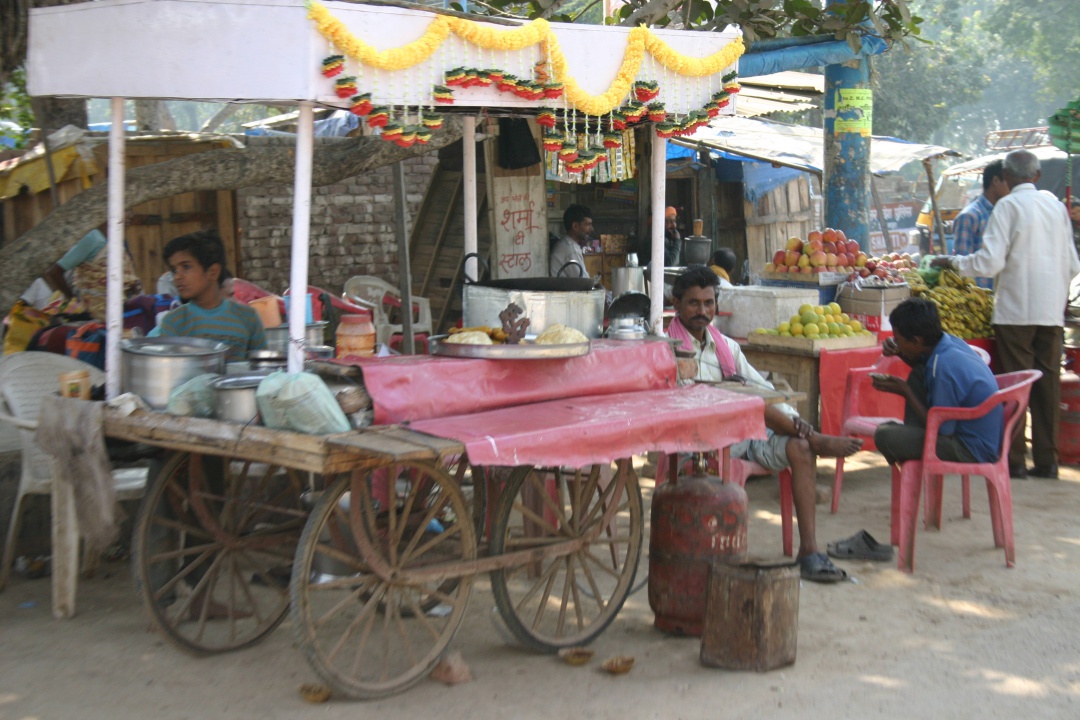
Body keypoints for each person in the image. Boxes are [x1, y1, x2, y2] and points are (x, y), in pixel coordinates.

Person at [669, 265, 863, 583]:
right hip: (702, 443)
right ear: (676, 304)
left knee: (795, 442)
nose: (702, 311)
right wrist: (737, 396)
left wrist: (793, 420)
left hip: (744, 436)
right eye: (693, 303)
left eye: (708, 303)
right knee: (749, 400)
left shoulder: (726, 347)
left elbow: (764, 389)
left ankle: (809, 551)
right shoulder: (669, 349)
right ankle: (816, 439)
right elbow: (688, 404)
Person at [932, 149, 1080, 479]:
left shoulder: (1007, 206)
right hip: (1050, 312)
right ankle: (1047, 461)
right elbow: (1072, 264)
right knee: (1047, 386)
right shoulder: (1056, 207)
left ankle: (1013, 460)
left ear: (1008, 177)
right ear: (1037, 176)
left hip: (1015, 311)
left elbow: (989, 262)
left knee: (1016, 384)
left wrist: (953, 262)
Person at [871, 297, 1003, 467]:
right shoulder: (949, 342)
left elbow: (943, 429)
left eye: (898, 339)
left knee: (884, 435)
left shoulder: (943, 367)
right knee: (919, 374)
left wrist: (906, 391)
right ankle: (913, 438)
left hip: (970, 449)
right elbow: (924, 366)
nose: (895, 342)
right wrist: (900, 352)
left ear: (916, 341)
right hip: (978, 439)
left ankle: (913, 459)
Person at [152, 230, 266, 361]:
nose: (177, 276)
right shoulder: (174, 322)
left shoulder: (248, 318)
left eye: (186, 266)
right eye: (174, 270)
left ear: (213, 272)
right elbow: (170, 369)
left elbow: (262, 367)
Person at [41, 227, 142, 320]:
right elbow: (54, 272)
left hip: (118, 312)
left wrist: (130, 283)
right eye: (125, 213)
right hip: (96, 315)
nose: (129, 216)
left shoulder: (116, 239)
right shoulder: (93, 238)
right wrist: (75, 303)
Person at [952, 159, 1008, 289]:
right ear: (995, 181)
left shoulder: (1003, 213)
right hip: (979, 295)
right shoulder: (969, 217)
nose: (1012, 188)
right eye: (1008, 182)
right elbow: (962, 268)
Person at [549, 204, 592, 278]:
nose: (591, 229)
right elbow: (584, 281)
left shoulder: (566, 244)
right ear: (575, 226)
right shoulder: (570, 249)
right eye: (587, 225)